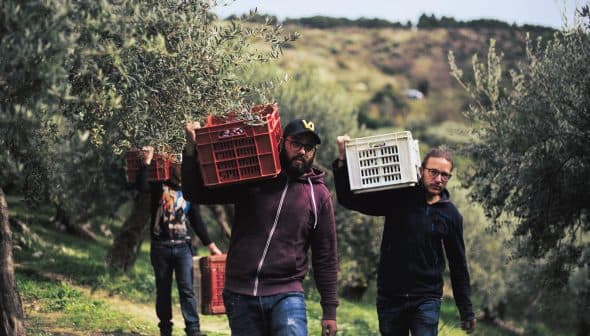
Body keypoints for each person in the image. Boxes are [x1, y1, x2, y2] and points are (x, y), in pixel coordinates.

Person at [181, 118, 339, 336]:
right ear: (282, 142)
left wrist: (329, 311)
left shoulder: (318, 196)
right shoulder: (255, 177)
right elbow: (195, 194)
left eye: (309, 147)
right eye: (296, 144)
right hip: (239, 292)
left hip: (286, 293)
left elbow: (326, 255)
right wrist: (190, 151)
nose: (302, 151)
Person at [332, 137, 476, 336]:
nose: (439, 179)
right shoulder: (399, 197)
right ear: (420, 170)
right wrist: (341, 160)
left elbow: (458, 264)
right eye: (433, 172)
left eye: (445, 175)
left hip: (427, 298)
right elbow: (349, 200)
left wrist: (466, 311)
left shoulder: (451, 215)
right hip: (390, 296)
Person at [136, 146, 222, 336]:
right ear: (171, 166)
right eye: (179, 166)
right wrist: (146, 162)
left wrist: (211, 246)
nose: (182, 170)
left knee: (187, 290)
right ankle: (165, 329)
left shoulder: (189, 191)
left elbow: (197, 220)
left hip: (183, 247)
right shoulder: (160, 185)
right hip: (161, 247)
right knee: (163, 290)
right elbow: (142, 187)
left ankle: (193, 330)